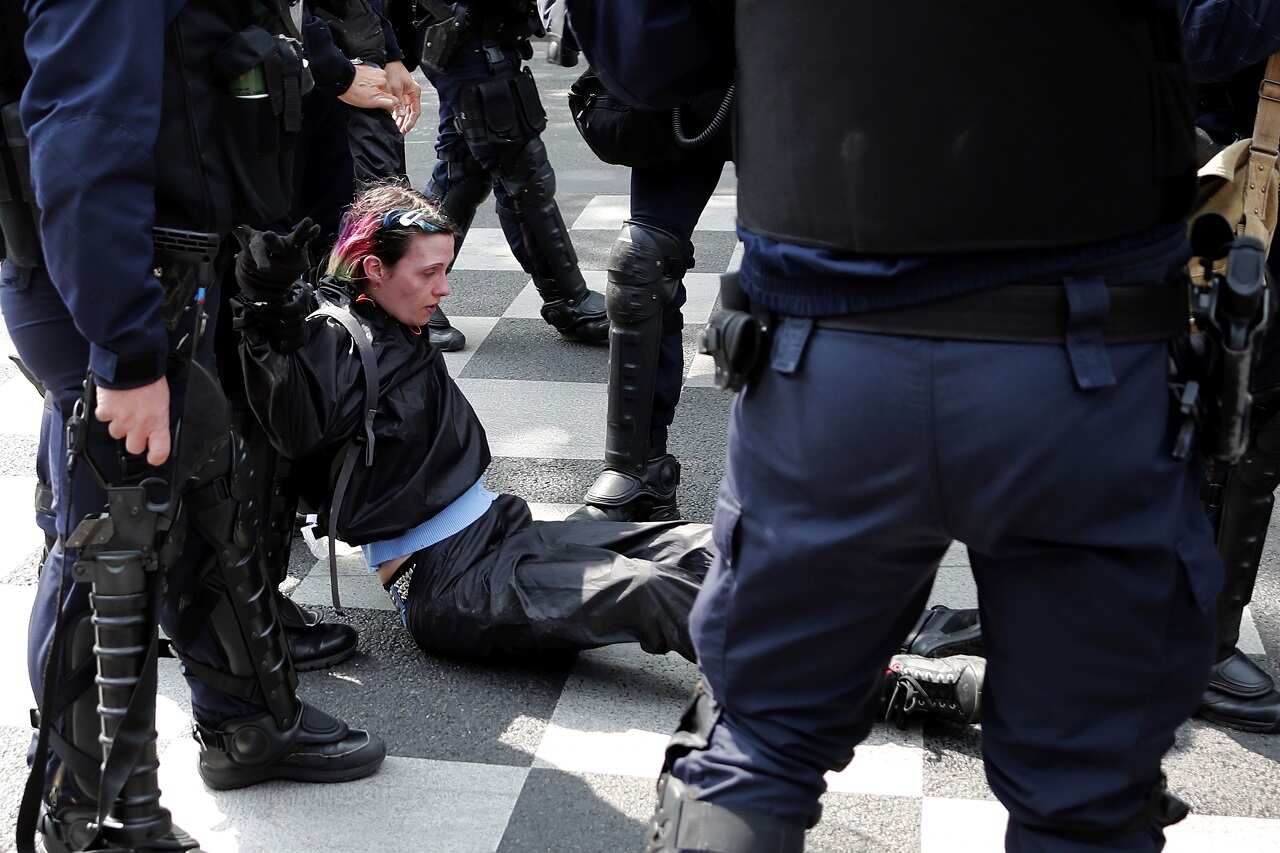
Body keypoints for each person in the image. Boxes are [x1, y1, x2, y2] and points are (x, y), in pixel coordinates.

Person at [572, 2, 1222, 851]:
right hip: (1085, 369)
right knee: (1088, 799)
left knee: (757, 750)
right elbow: (1221, 33)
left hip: (833, 365)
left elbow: (650, 59)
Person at [2, 3, 386, 851]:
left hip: (168, 266)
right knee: (113, 537)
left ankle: (249, 720)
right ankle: (92, 815)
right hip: (128, 278)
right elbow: (85, 130)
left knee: (200, 488)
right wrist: (127, 349)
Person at [236, 183, 711, 661]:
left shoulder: (395, 318)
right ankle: (774, 689)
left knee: (697, 543)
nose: (443, 288)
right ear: (376, 270)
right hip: (449, 582)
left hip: (499, 527)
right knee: (651, 589)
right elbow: (293, 427)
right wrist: (269, 311)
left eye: (445, 269)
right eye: (428, 273)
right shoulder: (335, 341)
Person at [384, 0, 609, 345]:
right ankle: (569, 300)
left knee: (466, 170)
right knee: (522, 172)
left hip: (479, 35)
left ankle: (406, 289)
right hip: (464, 35)